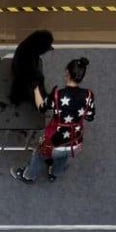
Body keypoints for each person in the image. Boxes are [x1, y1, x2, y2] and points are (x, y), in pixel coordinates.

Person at [11, 57, 95, 185]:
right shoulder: (88, 95)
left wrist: (35, 89)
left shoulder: (57, 95)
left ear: (67, 73)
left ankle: (28, 176)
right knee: (63, 157)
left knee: (39, 155)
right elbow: (90, 116)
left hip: (54, 141)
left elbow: (41, 108)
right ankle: (54, 173)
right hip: (75, 141)